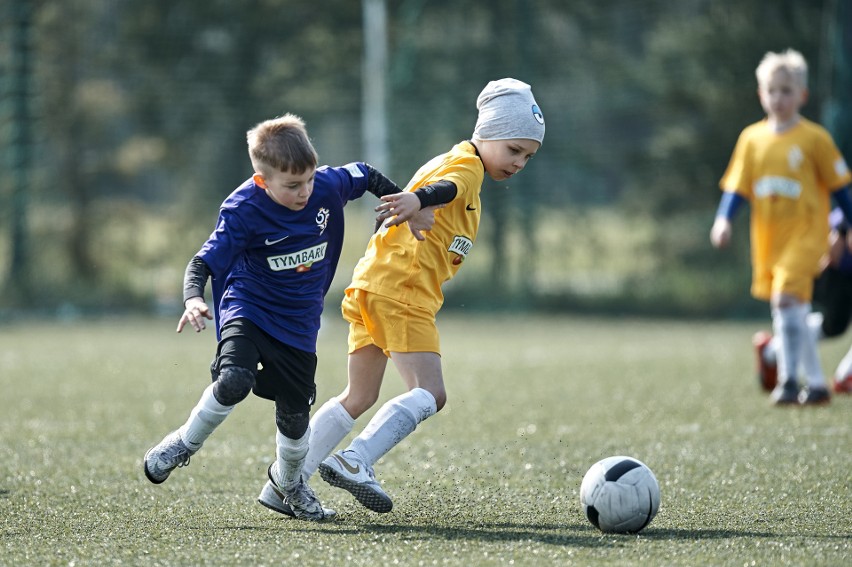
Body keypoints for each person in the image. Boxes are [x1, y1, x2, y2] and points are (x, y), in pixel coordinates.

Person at [254, 78, 545, 513]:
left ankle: (282, 483)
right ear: (486, 133)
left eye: (528, 155)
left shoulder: (455, 165)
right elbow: (442, 189)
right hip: (402, 294)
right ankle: (357, 459)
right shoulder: (465, 167)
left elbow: (417, 205)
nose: (519, 162)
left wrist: (409, 208)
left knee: (358, 395)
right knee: (431, 392)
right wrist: (419, 198)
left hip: (373, 287)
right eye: (513, 149)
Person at [142, 113, 435, 521]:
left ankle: (292, 484)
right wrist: (193, 298)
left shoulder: (327, 186)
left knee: (295, 419)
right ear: (263, 181)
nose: (305, 192)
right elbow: (202, 261)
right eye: (293, 186)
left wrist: (405, 203)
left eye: (309, 181)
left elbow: (365, 174)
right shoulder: (243, 208)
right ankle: (184, 443)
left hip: (299, 323)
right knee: (234, 380)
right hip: (249, 307)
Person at [710, 49, 852, 406]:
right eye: (772, 90)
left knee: (786, 297)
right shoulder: (751, 139)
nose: (778, 98)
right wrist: (723, 220)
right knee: (790, 308)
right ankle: (816, 385)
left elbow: (840, 188)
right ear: (761, 94)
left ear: (801, 95)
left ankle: (789, 381)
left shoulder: (814, 139)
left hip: (807, 237)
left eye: (787, 90)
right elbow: (737, 188)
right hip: (770, 240)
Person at [753, 207, 852, 395]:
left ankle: (771, 350)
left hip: (842, 272)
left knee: (834, 327)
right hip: (831, 268)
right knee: (827, 323)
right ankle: (842, 376)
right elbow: (837, 238)